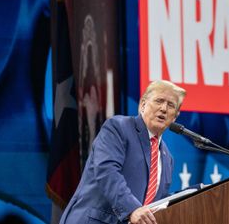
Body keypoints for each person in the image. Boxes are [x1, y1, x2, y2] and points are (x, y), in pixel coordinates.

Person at [59, 80, 187, 224]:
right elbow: (107, 171)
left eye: (171, 105)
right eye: (159, 101)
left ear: (175, 116)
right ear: (143, 104)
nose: (164, 108)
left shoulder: (167, 158)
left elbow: (158, 203)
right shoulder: (119, 128)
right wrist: (132, 209)